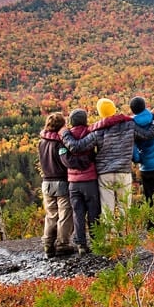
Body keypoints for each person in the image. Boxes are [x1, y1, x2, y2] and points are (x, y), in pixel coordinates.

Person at [59, 108, 102, 254]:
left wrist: (76, 164)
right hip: (90, 180)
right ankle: (96, 241)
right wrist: (87, 160)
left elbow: (63, 157)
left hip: (73, 182)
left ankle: (81, 245)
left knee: (77, 213)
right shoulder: (91, 134)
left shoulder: (65, 137)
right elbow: (97, 154)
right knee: (93, 212)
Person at [36, 113, 75, 258]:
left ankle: (48, 244)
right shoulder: (60, 143)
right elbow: (66, 162)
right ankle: (63, 244)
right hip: (61, 181)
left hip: (46, 182)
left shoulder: (41, 142)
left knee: (51, 214)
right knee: (64, 214)